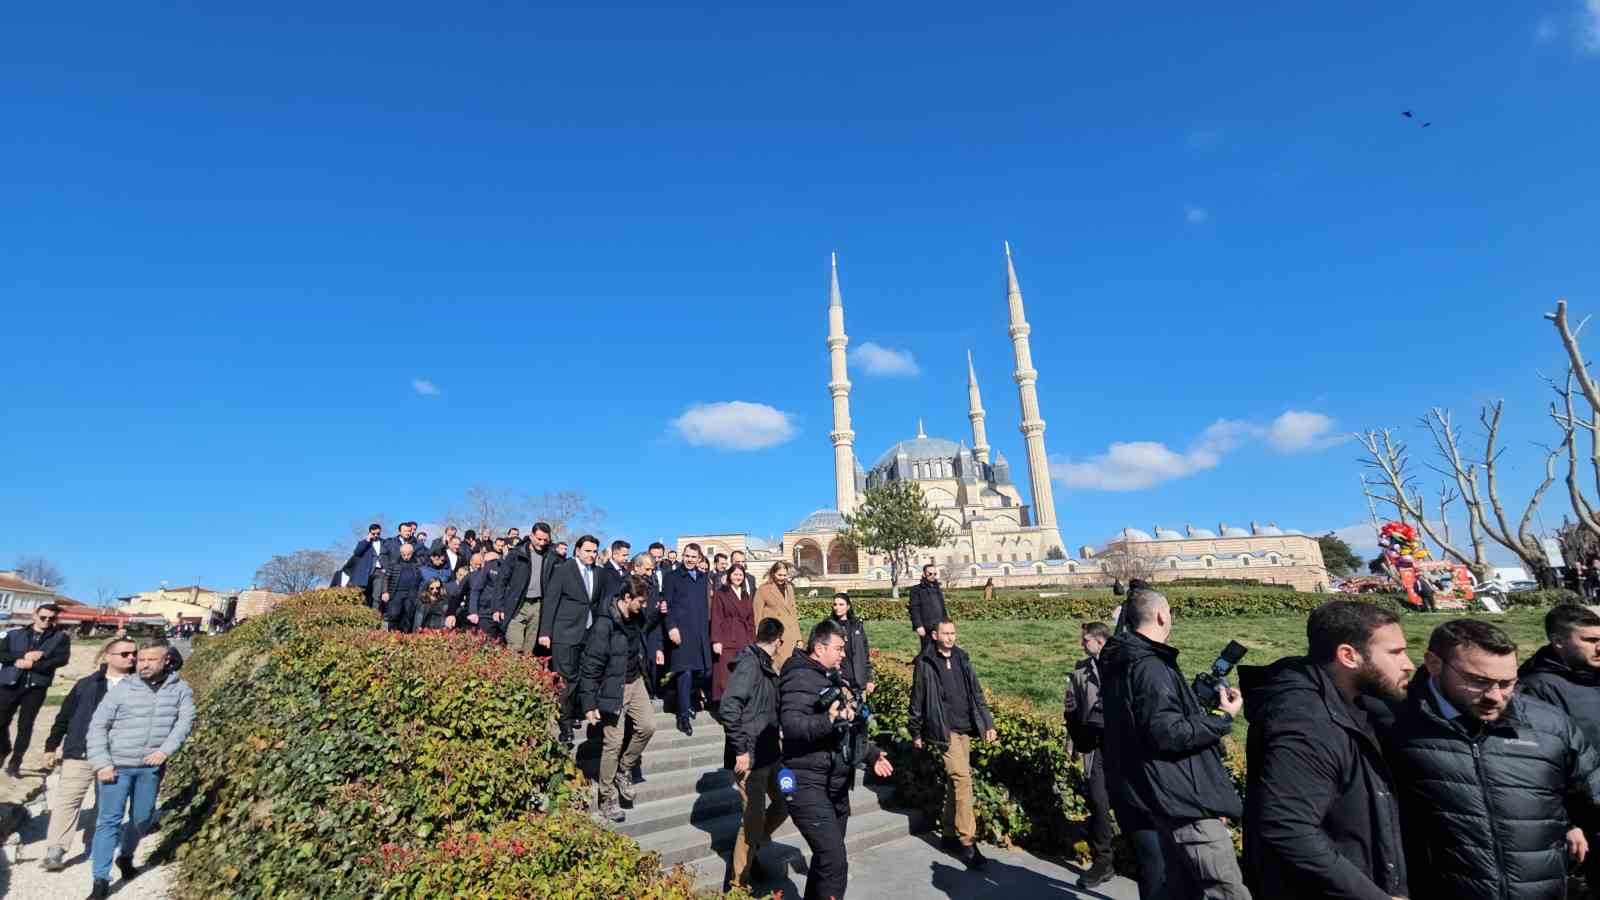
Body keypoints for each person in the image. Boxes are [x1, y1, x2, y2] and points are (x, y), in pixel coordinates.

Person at [1370, 618, 1600, 900]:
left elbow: (1590, 793)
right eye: (1478, 681)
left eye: (1507, 683)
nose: (1495, 696)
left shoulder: (1550, 725)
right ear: (1434, 663)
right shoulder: (1388, 723)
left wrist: (1569, 824)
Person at [1239, 600, 1412, 900]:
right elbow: (1287, 828)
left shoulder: (1358, 704)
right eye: (1395, 653)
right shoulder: (1306, 722)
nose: (1408, 663)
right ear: (1348, 656)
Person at [1100, 588, 1249, 900]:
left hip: (1156, 792)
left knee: (1182, 887)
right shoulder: (1150, 665)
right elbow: (1166, 733)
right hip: (1183, 798)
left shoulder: (1123, 660)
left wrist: (1191, 704)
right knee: (1225, 890)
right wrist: (1223, 716)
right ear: (1161, 615)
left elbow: (1146, 721)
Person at [779, 619, 895, 900]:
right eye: (839, 648)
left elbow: (844, 731)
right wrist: (828, 719)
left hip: (835, 783)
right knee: (834, 863)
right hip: (805, 782)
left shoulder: (830, 676)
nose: (844, 653)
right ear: (819, 648)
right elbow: (792, 725)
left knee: (825, 860)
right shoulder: (799, 677)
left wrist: (871, 753)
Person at [85, 640, 196, 899]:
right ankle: (99, 881)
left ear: (166, 660)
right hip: (116, 766)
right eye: (141, 659)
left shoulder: (180, 689)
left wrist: (165, 751)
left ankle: (125, 856)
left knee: (141, 819)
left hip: (150, 767)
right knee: (108, 822)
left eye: (150, 660)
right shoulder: (123, 689)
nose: (143, 664)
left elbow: (185, 722)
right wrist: (102, 763)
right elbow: (98, 726)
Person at [40, 637, 137, 872]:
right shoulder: (86, 684)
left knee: (105, 803)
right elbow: (64, 716)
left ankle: (94, 844)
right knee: (68, 800)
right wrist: (51, 746)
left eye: (134, 653)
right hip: (79, 751)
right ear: (108, 657)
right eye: (125, 654)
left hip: (116, 755)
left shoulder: (140, 687)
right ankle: (56, 849)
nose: (131, 658)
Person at [909, 619, 997, 870]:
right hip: (942, 730)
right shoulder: (925, 662)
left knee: (953, 781)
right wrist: (916, 731)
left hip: (964, 728)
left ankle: (947, 834)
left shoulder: (962, 658)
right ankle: (967, 842)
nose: (950, 637)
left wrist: (988, 723)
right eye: (945, 633)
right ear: (935, 635)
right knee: (962, 778)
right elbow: (918, 697)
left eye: (953, 633)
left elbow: (976, 693)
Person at [579, 575, 658, 823]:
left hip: (635, 682)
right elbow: (590, 665)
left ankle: (625, 768)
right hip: (612, 687)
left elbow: (644, 631)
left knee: (647, 726)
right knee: (613, 743)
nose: (644, 605)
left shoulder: (637, 617)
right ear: (627, 598)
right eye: (641, 601)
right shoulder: (605, 624)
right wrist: (589, 704)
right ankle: (607, 798)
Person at [720, 617, 788, 890]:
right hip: (751, 756)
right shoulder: (750, 663)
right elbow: (729, 707)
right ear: (778, 640)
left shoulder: (766, 663)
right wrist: (741, 751)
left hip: (771, 752)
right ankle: (738, 884)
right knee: (752, 820)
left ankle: (755, 847)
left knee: (785, 800)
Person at [538, 534, 604, 745]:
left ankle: (576, 712)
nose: (591, 555)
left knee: (585, 675)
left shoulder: (599, 573)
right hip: (564, 633)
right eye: (587, 551)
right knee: (567, 679)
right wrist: (545, 632)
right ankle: (564, 724)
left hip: (589, 634)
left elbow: (596, 603)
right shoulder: (564, 570)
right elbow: (551, 601)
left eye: (594, 551)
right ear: (577, 550)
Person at [1063, 621, 1113, 888]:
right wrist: (1072, 744)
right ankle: (1104, 861)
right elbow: (1071, 711)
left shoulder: (1122, 666)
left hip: (1123, 747)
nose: (1082, 644)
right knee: (1098, 801)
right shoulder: (1080, 671)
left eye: (1086, 640)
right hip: (1094, 748)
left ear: (1101, 641)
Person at [1, 603, 72, 777]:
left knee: (25, 725)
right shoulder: (14, 634)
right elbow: (1, 653)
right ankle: (4, 748)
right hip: (10, 683)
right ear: (34, 616)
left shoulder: (60, 638)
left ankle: (16, 762)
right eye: (43, 617)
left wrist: (36, 664)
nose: (47, 621)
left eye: (51, 618)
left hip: (36, 687)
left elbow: (61, 660)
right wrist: (21, 658)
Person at [665, 543, 714, 735]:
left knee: (705, 672)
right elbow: (667, 605)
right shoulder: (672, 577)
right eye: (687, 555)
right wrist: (671, 627)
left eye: (694, 556)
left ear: (699, 558)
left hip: (700, 633)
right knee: (684, 673)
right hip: (681, 633)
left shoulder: (703, 578)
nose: (690, 559)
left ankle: (687, 698)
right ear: (682, 556)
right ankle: (683, 716)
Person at [502, 523, 558, 654]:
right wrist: (497, 607)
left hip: (538, 606)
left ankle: (525, 673)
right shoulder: (516, 554)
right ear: (531, 536)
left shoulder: (552, 557)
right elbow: (501, 581)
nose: (542, 543)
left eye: (545, 540)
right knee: (515, 646)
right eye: (539, 539)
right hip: (518, 604)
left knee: (529, 649)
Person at [710, 565, 755, 705]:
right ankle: (725, 708)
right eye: (735, 574)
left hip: (744, 638)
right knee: (725, 675)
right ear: (729, 576)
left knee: (741, 675)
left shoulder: (745, 594)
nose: (738, 577)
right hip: (726, 637)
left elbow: (751, 619)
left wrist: (753, 640)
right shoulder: (721, 593)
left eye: (741, 575)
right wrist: (716, 640)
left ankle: (740, 706)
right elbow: (716, 617)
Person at [753, 561, 801, 671]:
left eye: (784, 575)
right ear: (773, 573)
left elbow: (793, 612)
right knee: (775, 667)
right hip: (774, 635)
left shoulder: (789, 588)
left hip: (790, 634)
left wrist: (798, 637)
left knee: (790, 667)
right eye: (779, 575)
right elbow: (757, 615)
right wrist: (759, 637)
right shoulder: (763, 589)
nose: (782, 578)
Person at [381, 542, 422, 633]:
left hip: (412, 593)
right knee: (394, 614)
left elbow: (420, 579)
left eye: (408, 554)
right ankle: (392, 635)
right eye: (404, 554)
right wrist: (385, 591)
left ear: (412, 553)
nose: (406, 556)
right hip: (396, 593)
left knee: (408, 615)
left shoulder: (417, 564)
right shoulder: (394, 563)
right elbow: (386, 578)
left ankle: (405, 636)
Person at [468, 550, 507, 639]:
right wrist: (473, 611)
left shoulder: (507, 568)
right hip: (485, 614)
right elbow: (475, 590)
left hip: (503, 614)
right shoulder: (476, 575)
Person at [908, 564, 947, 649]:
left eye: (934, 574)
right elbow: (914, 609)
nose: (932, 576)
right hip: (926, 627)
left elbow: (942, 608)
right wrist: (918, 625)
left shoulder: (937, 589)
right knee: (927, 651)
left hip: (940, 625)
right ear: (924, 574)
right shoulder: (916, 590)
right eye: (930, 573)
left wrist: (947, 622)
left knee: (941, 650)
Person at [346, 523, 384, 608]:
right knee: (362, 594)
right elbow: (357, 553)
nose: (376, 535)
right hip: (366, 572)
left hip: (379, 572)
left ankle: (375, 615)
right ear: (370, 532)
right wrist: (367, 540)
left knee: (377, 596)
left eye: (378, 533)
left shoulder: (384, 543)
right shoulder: (363, 542)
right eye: (374, 533)